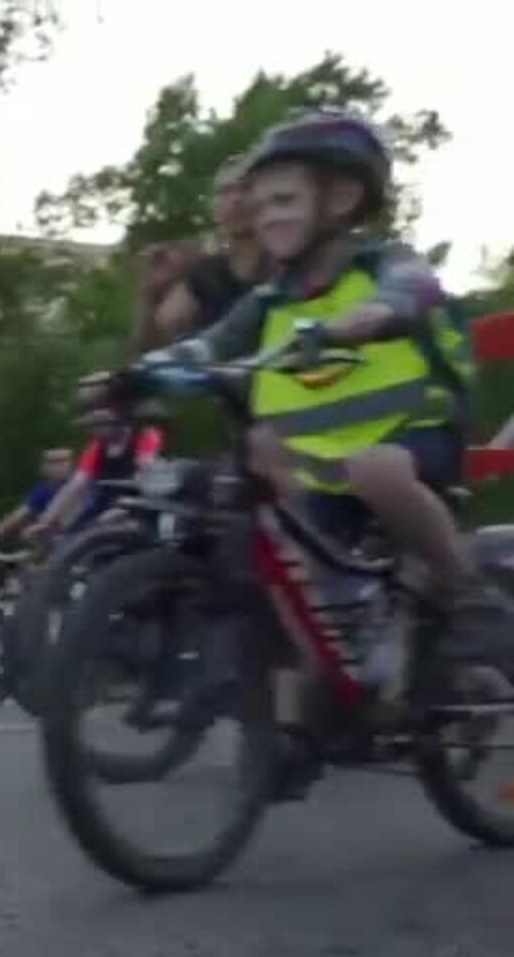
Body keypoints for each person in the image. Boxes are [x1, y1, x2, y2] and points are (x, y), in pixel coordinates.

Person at [135, 111, 502, 654]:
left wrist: (373, 314)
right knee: (262, 472)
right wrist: (140, 374)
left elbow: (411, 290)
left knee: (375, 468)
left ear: (342, 199)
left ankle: (465, 589)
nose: (266, 219)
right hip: (323, 460)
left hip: (413, 434)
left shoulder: (386, 262)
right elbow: (209, 344)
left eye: (283, 202)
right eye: (259, 208)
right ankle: (317, 663)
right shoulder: (269, 296)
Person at [137, 157, 268, 349]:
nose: (235, 200)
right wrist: (154, 293)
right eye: (225, 192)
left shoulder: (288, 264)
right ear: (213, 207)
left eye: (246, 188)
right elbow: (155, 346)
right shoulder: (205, 273)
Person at [27, 414, 166, 540]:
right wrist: (45, 521)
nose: (92, 432)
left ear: (114, 423)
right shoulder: (96, 448)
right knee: (69, 538)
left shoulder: (145, 436)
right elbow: (76, 484)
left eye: (96, 426)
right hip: (104, 504)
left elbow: (148, 469)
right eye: (90, 427)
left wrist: (144, 469)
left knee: (106, 527)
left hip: (140, 505)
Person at [0, 448, 74, 548]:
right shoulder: (44, 489)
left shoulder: (79, 484)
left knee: (33, 533)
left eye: (64, 462)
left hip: (78, 536)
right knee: (29, 533)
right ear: (44, 467)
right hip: (62, 537)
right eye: (54, 463)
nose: (61, 467)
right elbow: (17, 516)